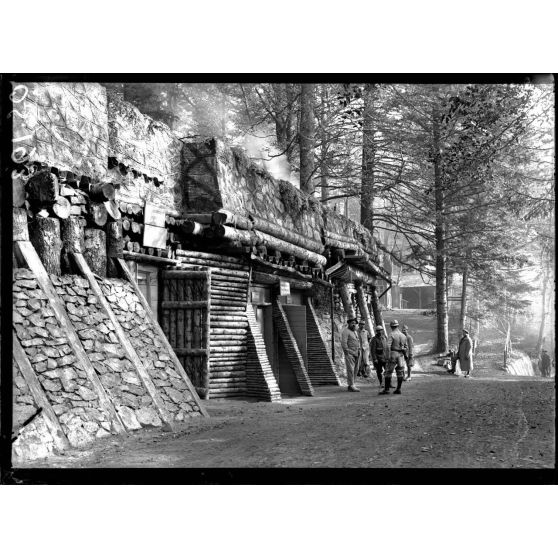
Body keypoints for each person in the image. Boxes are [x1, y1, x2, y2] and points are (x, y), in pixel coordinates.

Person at [380, 319, 408, 395]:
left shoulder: (391, 334)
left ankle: (386, 389)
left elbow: (388, 346)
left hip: (393, 353)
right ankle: (398, 389)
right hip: (401, 355)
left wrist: (387, 356)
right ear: (397, 326)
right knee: (400, 372)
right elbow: (406, 347)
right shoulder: (403, 335)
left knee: (388, 372)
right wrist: (405, 355)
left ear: (391, 326)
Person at [341, 317, 361, 392]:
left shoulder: (355, 331)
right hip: (350, 354)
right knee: (350, 370)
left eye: (355, 323)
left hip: (357, 353)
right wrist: (347, 352)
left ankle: (352, 384)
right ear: (349, 323)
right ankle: (351, 385)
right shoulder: (346, 331)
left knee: (356, 369)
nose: (354, 324)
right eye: (352, 323)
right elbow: (343, 343)